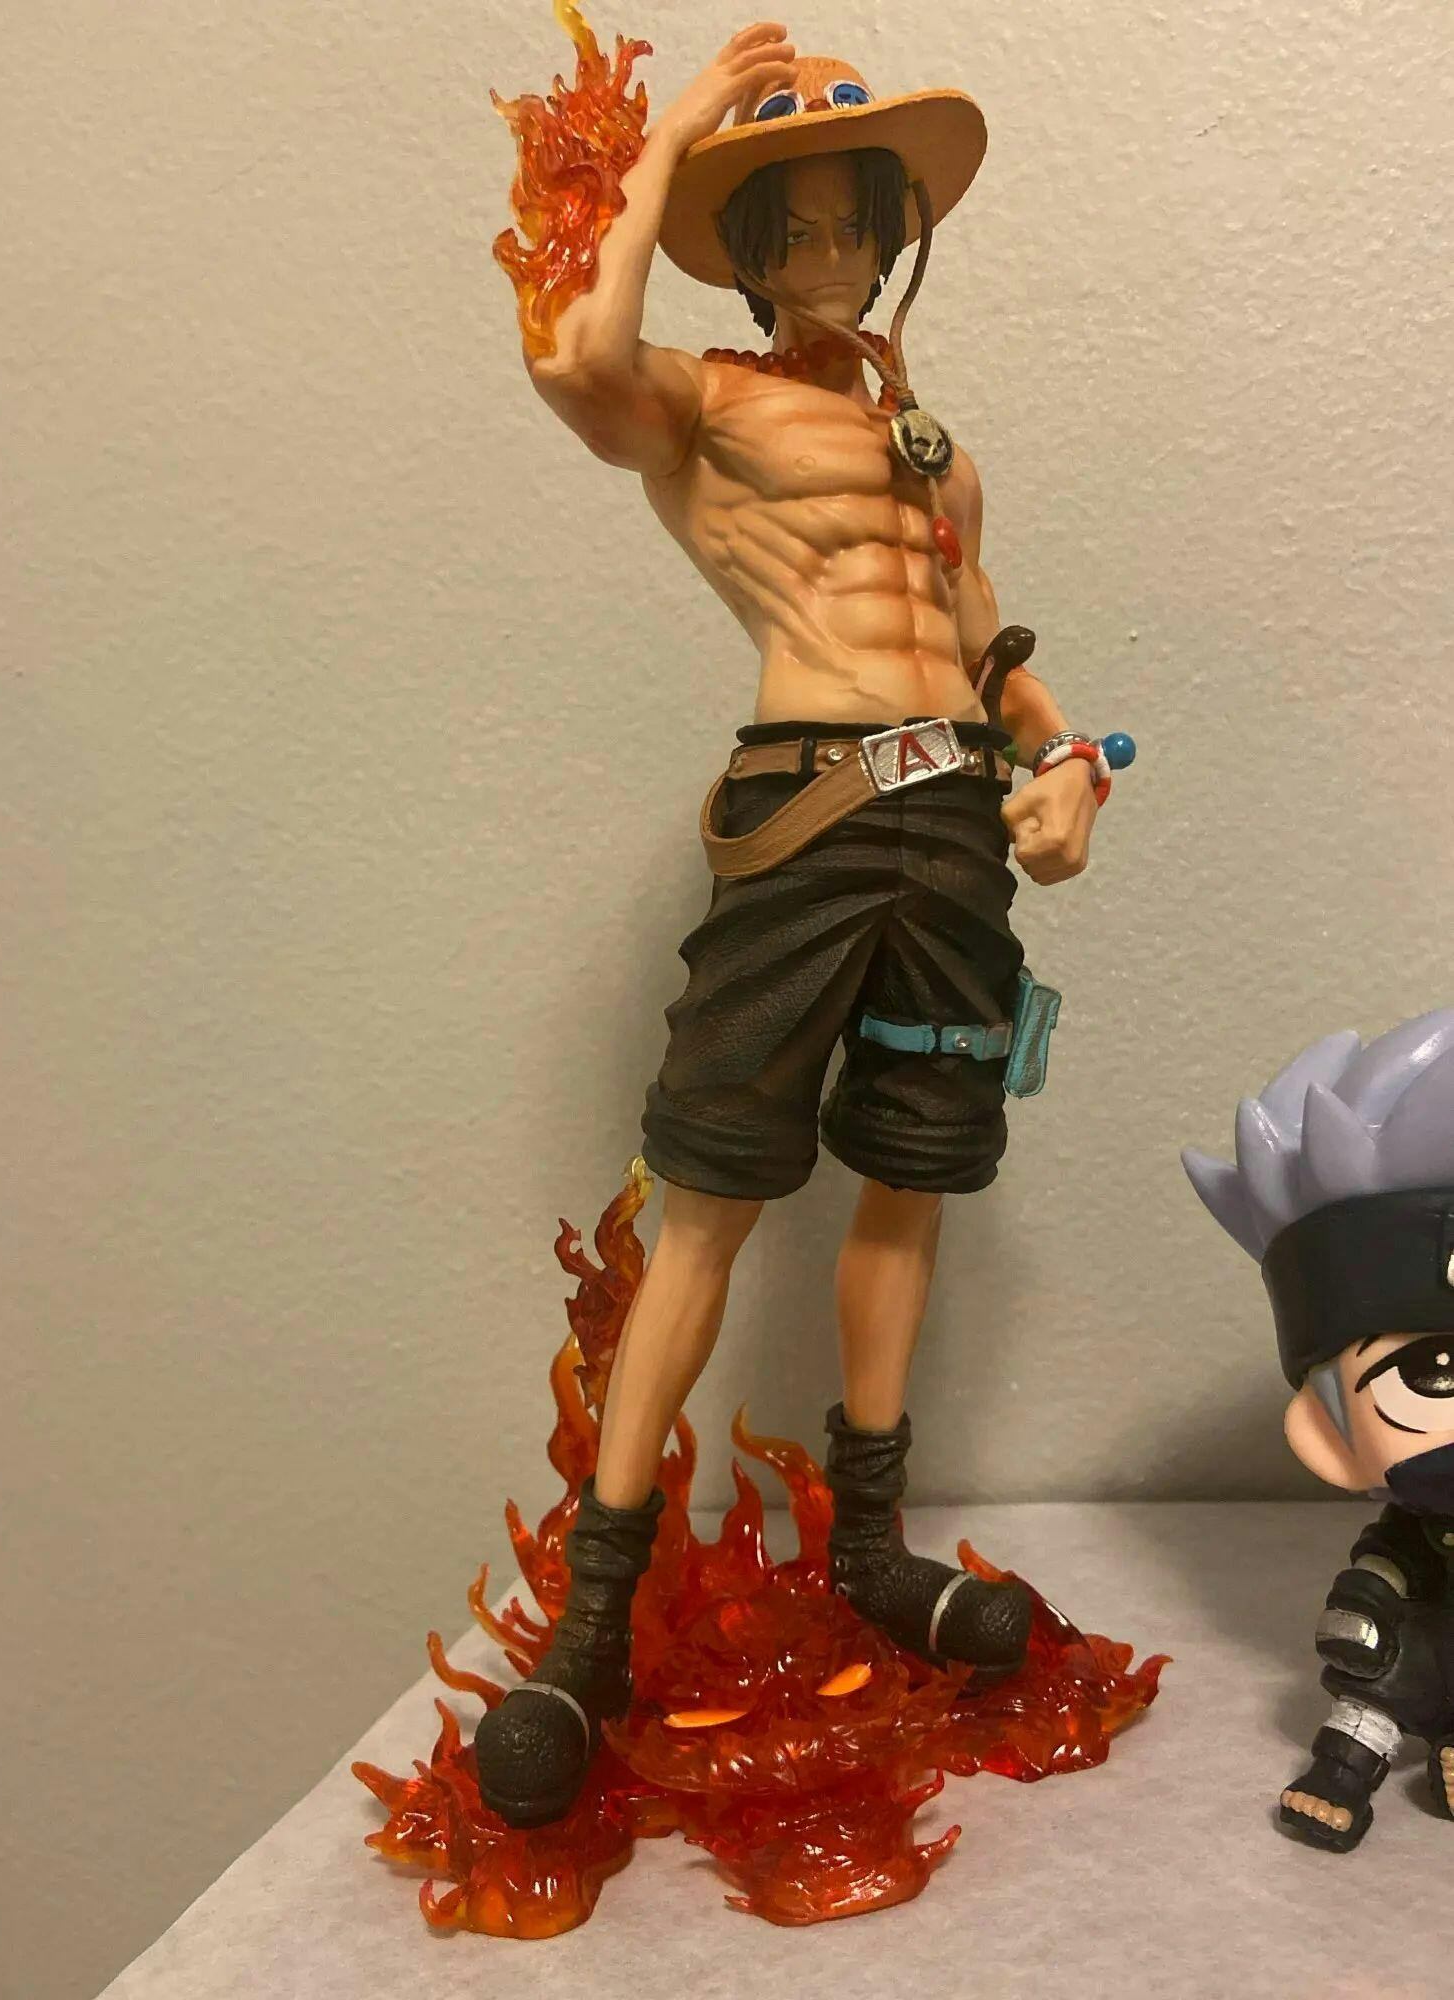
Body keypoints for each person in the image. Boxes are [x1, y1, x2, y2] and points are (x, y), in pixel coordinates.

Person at [475, 22, 1128, 1830]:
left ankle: (875, 1547)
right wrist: (681, 126)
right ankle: (592, 1627)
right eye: (797, 225)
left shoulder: (936, 453)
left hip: (952, 833)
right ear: (753, 250)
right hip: (811, 811)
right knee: (714, 1191)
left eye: (856, 220)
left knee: (915, 1169)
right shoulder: (705, 401)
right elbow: (575, 356)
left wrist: (1070, 760)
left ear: (894, 234)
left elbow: (986, 640)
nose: (832, 252)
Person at [1184, 1010, 1454, 1851]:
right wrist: (1365, 1605)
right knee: (1371, 1697)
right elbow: (1384, 1568)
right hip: (1416, 1646)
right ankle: (1340, 1774)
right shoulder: (1411, 1523)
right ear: (1327, 1435)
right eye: (1435, 1371)